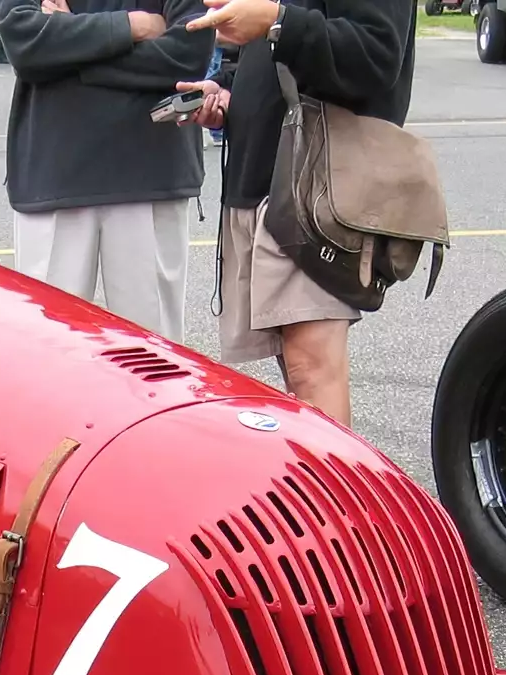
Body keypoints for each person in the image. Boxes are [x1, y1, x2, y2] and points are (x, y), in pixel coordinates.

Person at [177, 0, 413, 427]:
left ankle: (336, 474)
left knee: (310, 366)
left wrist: (277, 22)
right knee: (297, 371)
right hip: (268, 177)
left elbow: (376, 56)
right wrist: (230, 90)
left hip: (315, 188)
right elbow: (279, 54)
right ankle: (323, 469)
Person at [0, 0, 213, 341]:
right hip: (57, 175)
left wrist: (72, 53)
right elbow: (24, 41)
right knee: (50, 351)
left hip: (150, 173)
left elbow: (188, 55)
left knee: (153, 355)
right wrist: (132, 27)